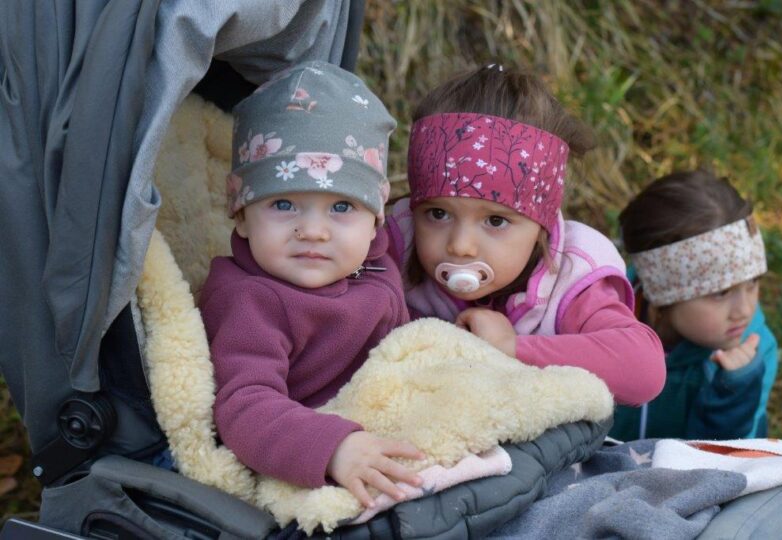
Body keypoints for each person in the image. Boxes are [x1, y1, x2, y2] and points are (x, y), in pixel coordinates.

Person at [200, 61, 423, 509]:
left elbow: (408, 341)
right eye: (284, 204)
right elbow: (244, 404)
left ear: (375, 217)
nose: (314, 232)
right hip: (311, 441)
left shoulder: (375, 268)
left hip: (386, 420)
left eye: (341, 207)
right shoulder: (250, 300)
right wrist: (333, 447)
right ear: (240, 214)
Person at [385, 65, 666, 406]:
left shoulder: (570, 276)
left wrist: (512, 348)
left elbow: (644, 370)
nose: (460, 246)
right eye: (438, 214)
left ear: (541, 225)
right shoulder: (394, 245)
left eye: (496, 221)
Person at [610, 170, 778, 440]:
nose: (745, 310)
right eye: (721, 292)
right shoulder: (600, 328)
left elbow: (725, 459)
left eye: (753, 282)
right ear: (663, 292)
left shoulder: (753, 356)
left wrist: (734, 396)